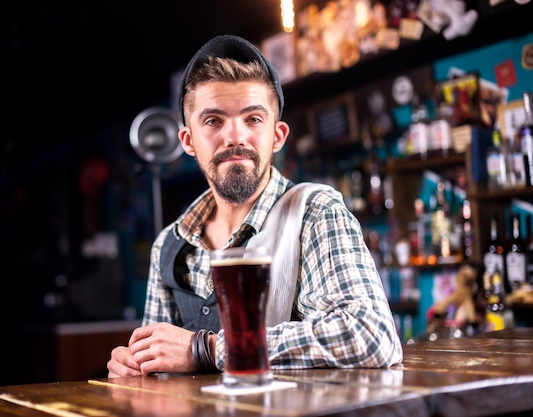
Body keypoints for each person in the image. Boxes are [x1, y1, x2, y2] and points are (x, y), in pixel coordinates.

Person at [107, 34, 403, 377]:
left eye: (253, 119)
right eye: (213, 121)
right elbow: (158, 365)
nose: (235, 136)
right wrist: (134, 366)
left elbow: (371, 335)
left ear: (277, 135)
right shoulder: (168, 245)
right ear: (188, 141)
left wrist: (207, 348)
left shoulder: (315, 213)